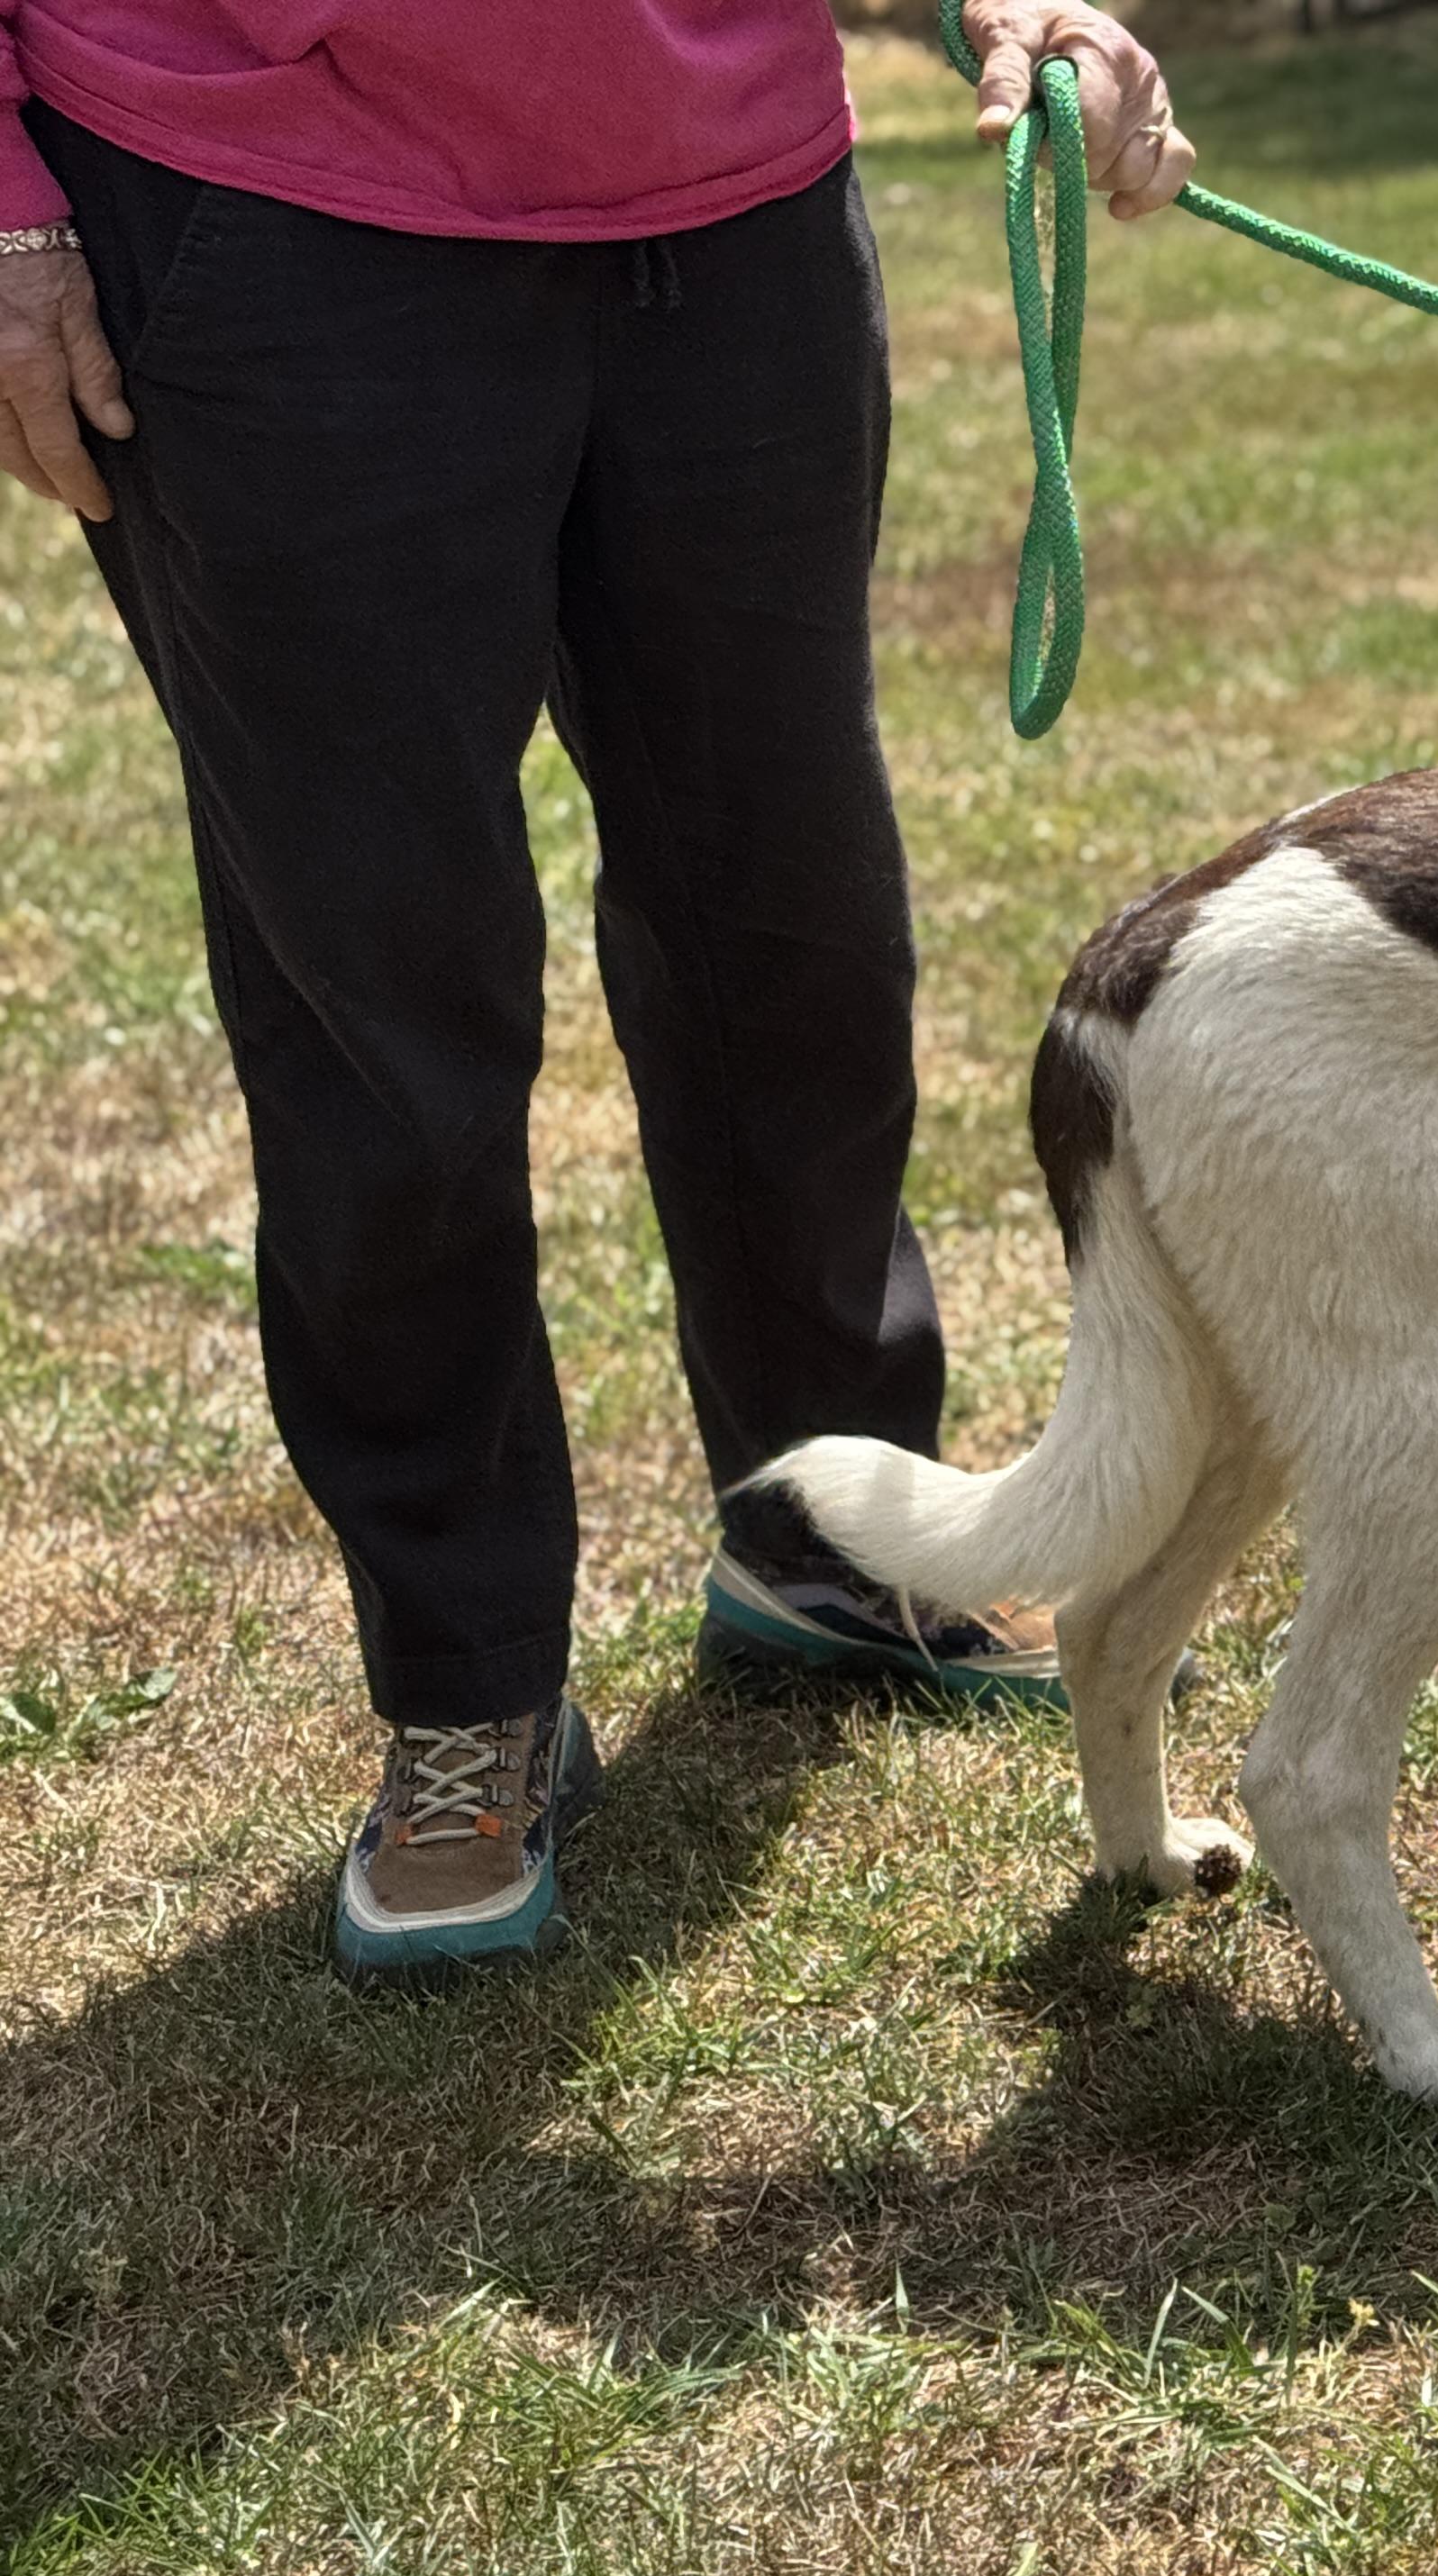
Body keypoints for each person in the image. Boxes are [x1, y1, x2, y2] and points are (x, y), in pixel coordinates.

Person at [0, 1, 1197, 1983]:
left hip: (736, 214)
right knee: (384, 1018)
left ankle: (832, 1537)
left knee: (793, 931)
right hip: (261, 206)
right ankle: (465, 1682)